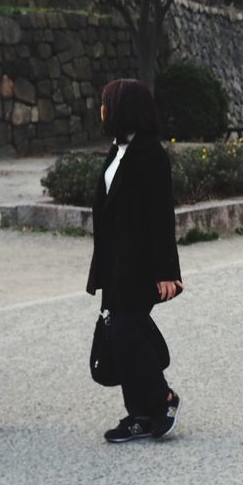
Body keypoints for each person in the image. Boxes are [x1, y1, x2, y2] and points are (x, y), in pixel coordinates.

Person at [86, 79, 182, 442]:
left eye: (106, 103)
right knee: (121, 334)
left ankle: (161, 400)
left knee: (126, 331)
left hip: (139, 264)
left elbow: (161, 217)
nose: (102, 110)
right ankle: (139, 413)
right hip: (114, 264)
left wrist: (166, 271)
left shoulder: (150, 155)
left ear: (123, 108)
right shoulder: (118, 150)